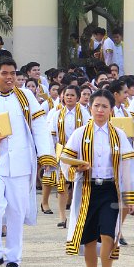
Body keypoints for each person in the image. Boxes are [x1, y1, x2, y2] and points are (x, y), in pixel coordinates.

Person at [0, 57, 56, 267]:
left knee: (16, 211)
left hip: (21, 163)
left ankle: (14, 258)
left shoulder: (25, 96)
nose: (9, 78)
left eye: (12, 74)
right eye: (5, 73)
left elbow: (39, 126)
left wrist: (45, 154)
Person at [61, 89, 134, 267]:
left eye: (104, 106)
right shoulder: (80, 134)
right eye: (96, 105)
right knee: (88, 239)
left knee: (108, 235)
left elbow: (129, 166)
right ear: (90, 107)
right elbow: (65, 160)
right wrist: (75, 169)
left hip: (110, 190)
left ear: (111, 110)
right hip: (87, 189)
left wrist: (130, 197)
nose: (100, 110)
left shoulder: (119, 135)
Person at [42, 85, 90, 228]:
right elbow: (52, 136)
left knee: (80, 184)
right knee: (62, 185)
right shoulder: (57, 114)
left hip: (80, 152)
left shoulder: (85, 113)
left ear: (77, 97)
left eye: (72, 95)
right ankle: (62, 216)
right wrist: (51, 156)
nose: (69, 97)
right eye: (67, 95)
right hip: (63, 153)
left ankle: (80, 214)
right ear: (63, 96)